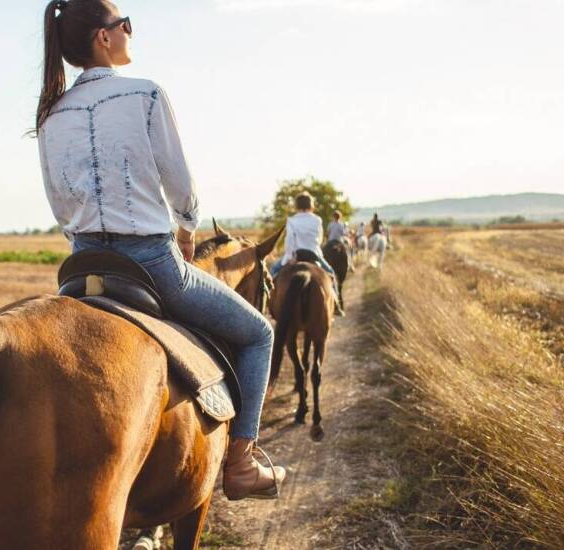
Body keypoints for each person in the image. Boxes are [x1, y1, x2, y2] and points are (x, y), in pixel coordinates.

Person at [34, 0, 284, 500]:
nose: (130, 31)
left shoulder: (49, 114)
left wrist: (88, 240)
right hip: (151, 264)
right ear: (104, 39)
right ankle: (240, 464)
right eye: (124, 24)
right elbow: (179, 182)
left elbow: (60, 202)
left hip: (80, 269)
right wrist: (188, 227)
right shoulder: (144, 94)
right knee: (258, 333)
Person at [269, 193, 344, 316]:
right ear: (311, 205)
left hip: (295, 255)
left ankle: (269, 301)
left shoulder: (291, 220)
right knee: (331, 274)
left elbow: (289, 241)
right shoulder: (317, 220)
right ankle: (336, 305)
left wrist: (290, 257)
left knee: (273, 271)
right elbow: (319, 239)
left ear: (296, 205)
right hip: (313, 254)